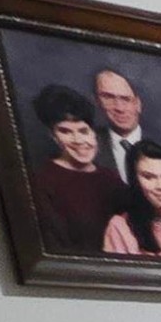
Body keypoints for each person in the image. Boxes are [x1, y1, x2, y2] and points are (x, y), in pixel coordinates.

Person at [26, 83, 122, 255]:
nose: (78, 140)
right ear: (53, 136)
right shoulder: (43, 182)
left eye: (83, 131)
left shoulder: (111, 179)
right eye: (66, 131)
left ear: (94, 133)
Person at [90, 66, 150, 185]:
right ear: (96, 101)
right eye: (108, 97)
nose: (119, 108)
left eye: (126, 99)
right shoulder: (85, 148)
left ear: (138, 104)